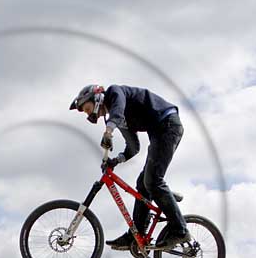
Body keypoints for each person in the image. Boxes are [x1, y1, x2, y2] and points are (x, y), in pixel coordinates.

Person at [70, 84, 189, 249]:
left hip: (168, 125)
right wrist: (116, 160)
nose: (89, 114)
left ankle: (180, 230)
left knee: (153, 180)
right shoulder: (117, 120)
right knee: (143, 184)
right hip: (157, 134)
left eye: (87, 108)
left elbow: (118, 108)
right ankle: (136, 235)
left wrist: (109, 132)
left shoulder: (114, 92)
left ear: (96, 98)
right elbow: (133, 147)